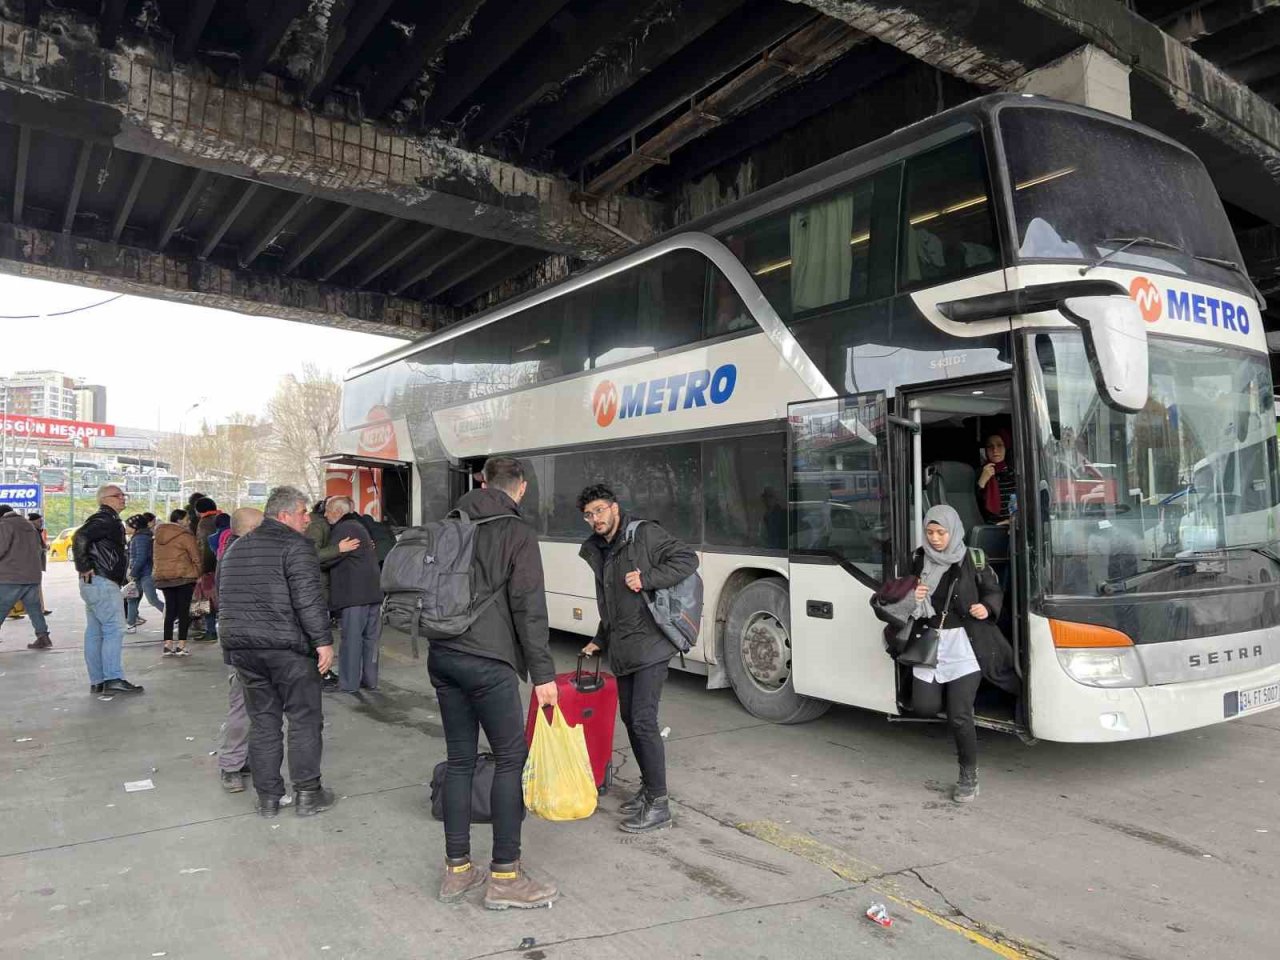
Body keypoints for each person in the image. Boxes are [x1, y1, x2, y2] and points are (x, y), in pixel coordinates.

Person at [431, 457, 559, 909]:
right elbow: (529, 608)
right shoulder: (516, 532)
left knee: (460, 760)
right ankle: (505, 876)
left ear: (481, 482)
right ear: (520, 488)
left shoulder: (449, 523)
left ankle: (457, 871)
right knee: (510, 760)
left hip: (443, 655)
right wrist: (544, 675)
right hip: (489, 660)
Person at [577, 484, 697, 833]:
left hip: (652, 643)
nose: (595, 519)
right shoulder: (602, 549)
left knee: (642, 720)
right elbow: (613, 603)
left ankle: (659, 804)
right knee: (630, 718)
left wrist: (648, 579)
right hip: (625, 645)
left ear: (614, 508)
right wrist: (599, 640)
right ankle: (649, 789)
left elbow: (687, 560)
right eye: (588, 514)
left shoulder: (644, 534)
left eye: (599, 510)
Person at [218, 485, 336, 818]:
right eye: (302, 512)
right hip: (287, 649)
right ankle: (308, 793)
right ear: (284, 515)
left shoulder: (237, 548)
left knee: (264, 722)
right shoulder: (296, 546)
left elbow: (225, 601)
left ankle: (268, 798)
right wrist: (323, 641)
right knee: (304, 719)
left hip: (245, 649)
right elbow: (308, 599)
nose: (307, 518)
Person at [907, 505, 1019, 803]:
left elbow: (993, 591)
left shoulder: (972, 557)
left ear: (953, 530)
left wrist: (986, 607)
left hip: (966, 644)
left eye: (941, 533)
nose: (935, 539)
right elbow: (901, 594)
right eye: (930, 532)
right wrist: (912, 596)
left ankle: (968, 774)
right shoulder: (919, 558)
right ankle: (946, 698)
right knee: (924, 707)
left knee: (959, 715)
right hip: (930, 640)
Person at [73, 485, 143, 695]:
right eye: (118, 495)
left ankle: (98, 681)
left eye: (123, 494)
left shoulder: (105, 519)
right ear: (105, 499)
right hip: (102, 580)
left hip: (94, 583)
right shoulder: (105, 519)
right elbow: (79, 537)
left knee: (95, 632)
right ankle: (113, 677)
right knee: (114, 629)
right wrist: (83, 565)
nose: (123, 498)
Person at [216, 507, 263, 793]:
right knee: (242, 705)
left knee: (255, 707)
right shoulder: (238, 556)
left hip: (254, 640)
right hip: (244, 643)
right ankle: (231, 765)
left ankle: (241, 760)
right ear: (250, 528)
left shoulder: (242, 551)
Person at [324, 496, 383, 693]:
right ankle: (370, 679)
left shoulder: (344, 528)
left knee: (352, 639)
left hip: (355, 595)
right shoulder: (360, 525)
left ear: (338, 512)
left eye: (328, 510)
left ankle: (349, 684)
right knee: (370, 638)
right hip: (373, 592)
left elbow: (329, 559)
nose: (325, 515)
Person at [305, 499, 359, 689]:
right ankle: (319, 673)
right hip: (316, 588)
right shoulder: (318, 526)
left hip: (320, 587)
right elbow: (311, 555)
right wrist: (339, 549)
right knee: (317, 631)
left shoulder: (324, 526)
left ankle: (320, 672)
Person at [0, 506, 52, 650]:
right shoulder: (29, 526)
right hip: (32, 576)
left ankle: (43, 638)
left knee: (2, 607)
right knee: (34, 609)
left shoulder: (4, 525)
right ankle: (43, 637)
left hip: (11, 577)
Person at [153, 508, 201, 656]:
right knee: (183, 611)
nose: (189, 522)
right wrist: (199, 574)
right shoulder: (185, 536)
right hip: (183, 577)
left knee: (170, 611)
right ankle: (181, 645)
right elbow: (196, 557)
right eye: (187, 519)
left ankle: (167, 645)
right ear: (179, 520)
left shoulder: (158, 536)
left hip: (164, 578)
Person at [125, 514, 164, 634]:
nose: (126, 528)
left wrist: (133, 572)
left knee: (152, 599)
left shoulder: (140, 538)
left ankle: (175, 617)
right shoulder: (139, 537)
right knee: (132, 598)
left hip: (145, 574)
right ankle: (130, 624)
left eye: (127, 525)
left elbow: (141, 557)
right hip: (139, 574)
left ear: (135, 526)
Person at [193, 497, 224, 641]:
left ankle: (210, 631)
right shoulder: (223, 518)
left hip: (210, 568)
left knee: (206, 600)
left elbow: (203, 548)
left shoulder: (204, 523)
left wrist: (202, 571)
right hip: (224, 565)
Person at [977, 430, 1016, 525]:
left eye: (999, 445)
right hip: (989, 529)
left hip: (1014, 527)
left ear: (1006, 448)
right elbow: (974, 508)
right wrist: (981, 482)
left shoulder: (1015, 474)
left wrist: (1013, 520)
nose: (995, 450)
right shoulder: (979, 473)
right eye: (990, 446)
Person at [27, 511, 51, 615]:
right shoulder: (31, 531)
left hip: (34, 563)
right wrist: (43, 549)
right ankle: (39, 609)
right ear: (33, 521)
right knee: (35, 587)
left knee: (35, 587)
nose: (41, 523)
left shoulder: (36, 530)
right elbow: (34, 548)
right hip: (32, 564)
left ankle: (40, 608)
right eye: (39, 521)